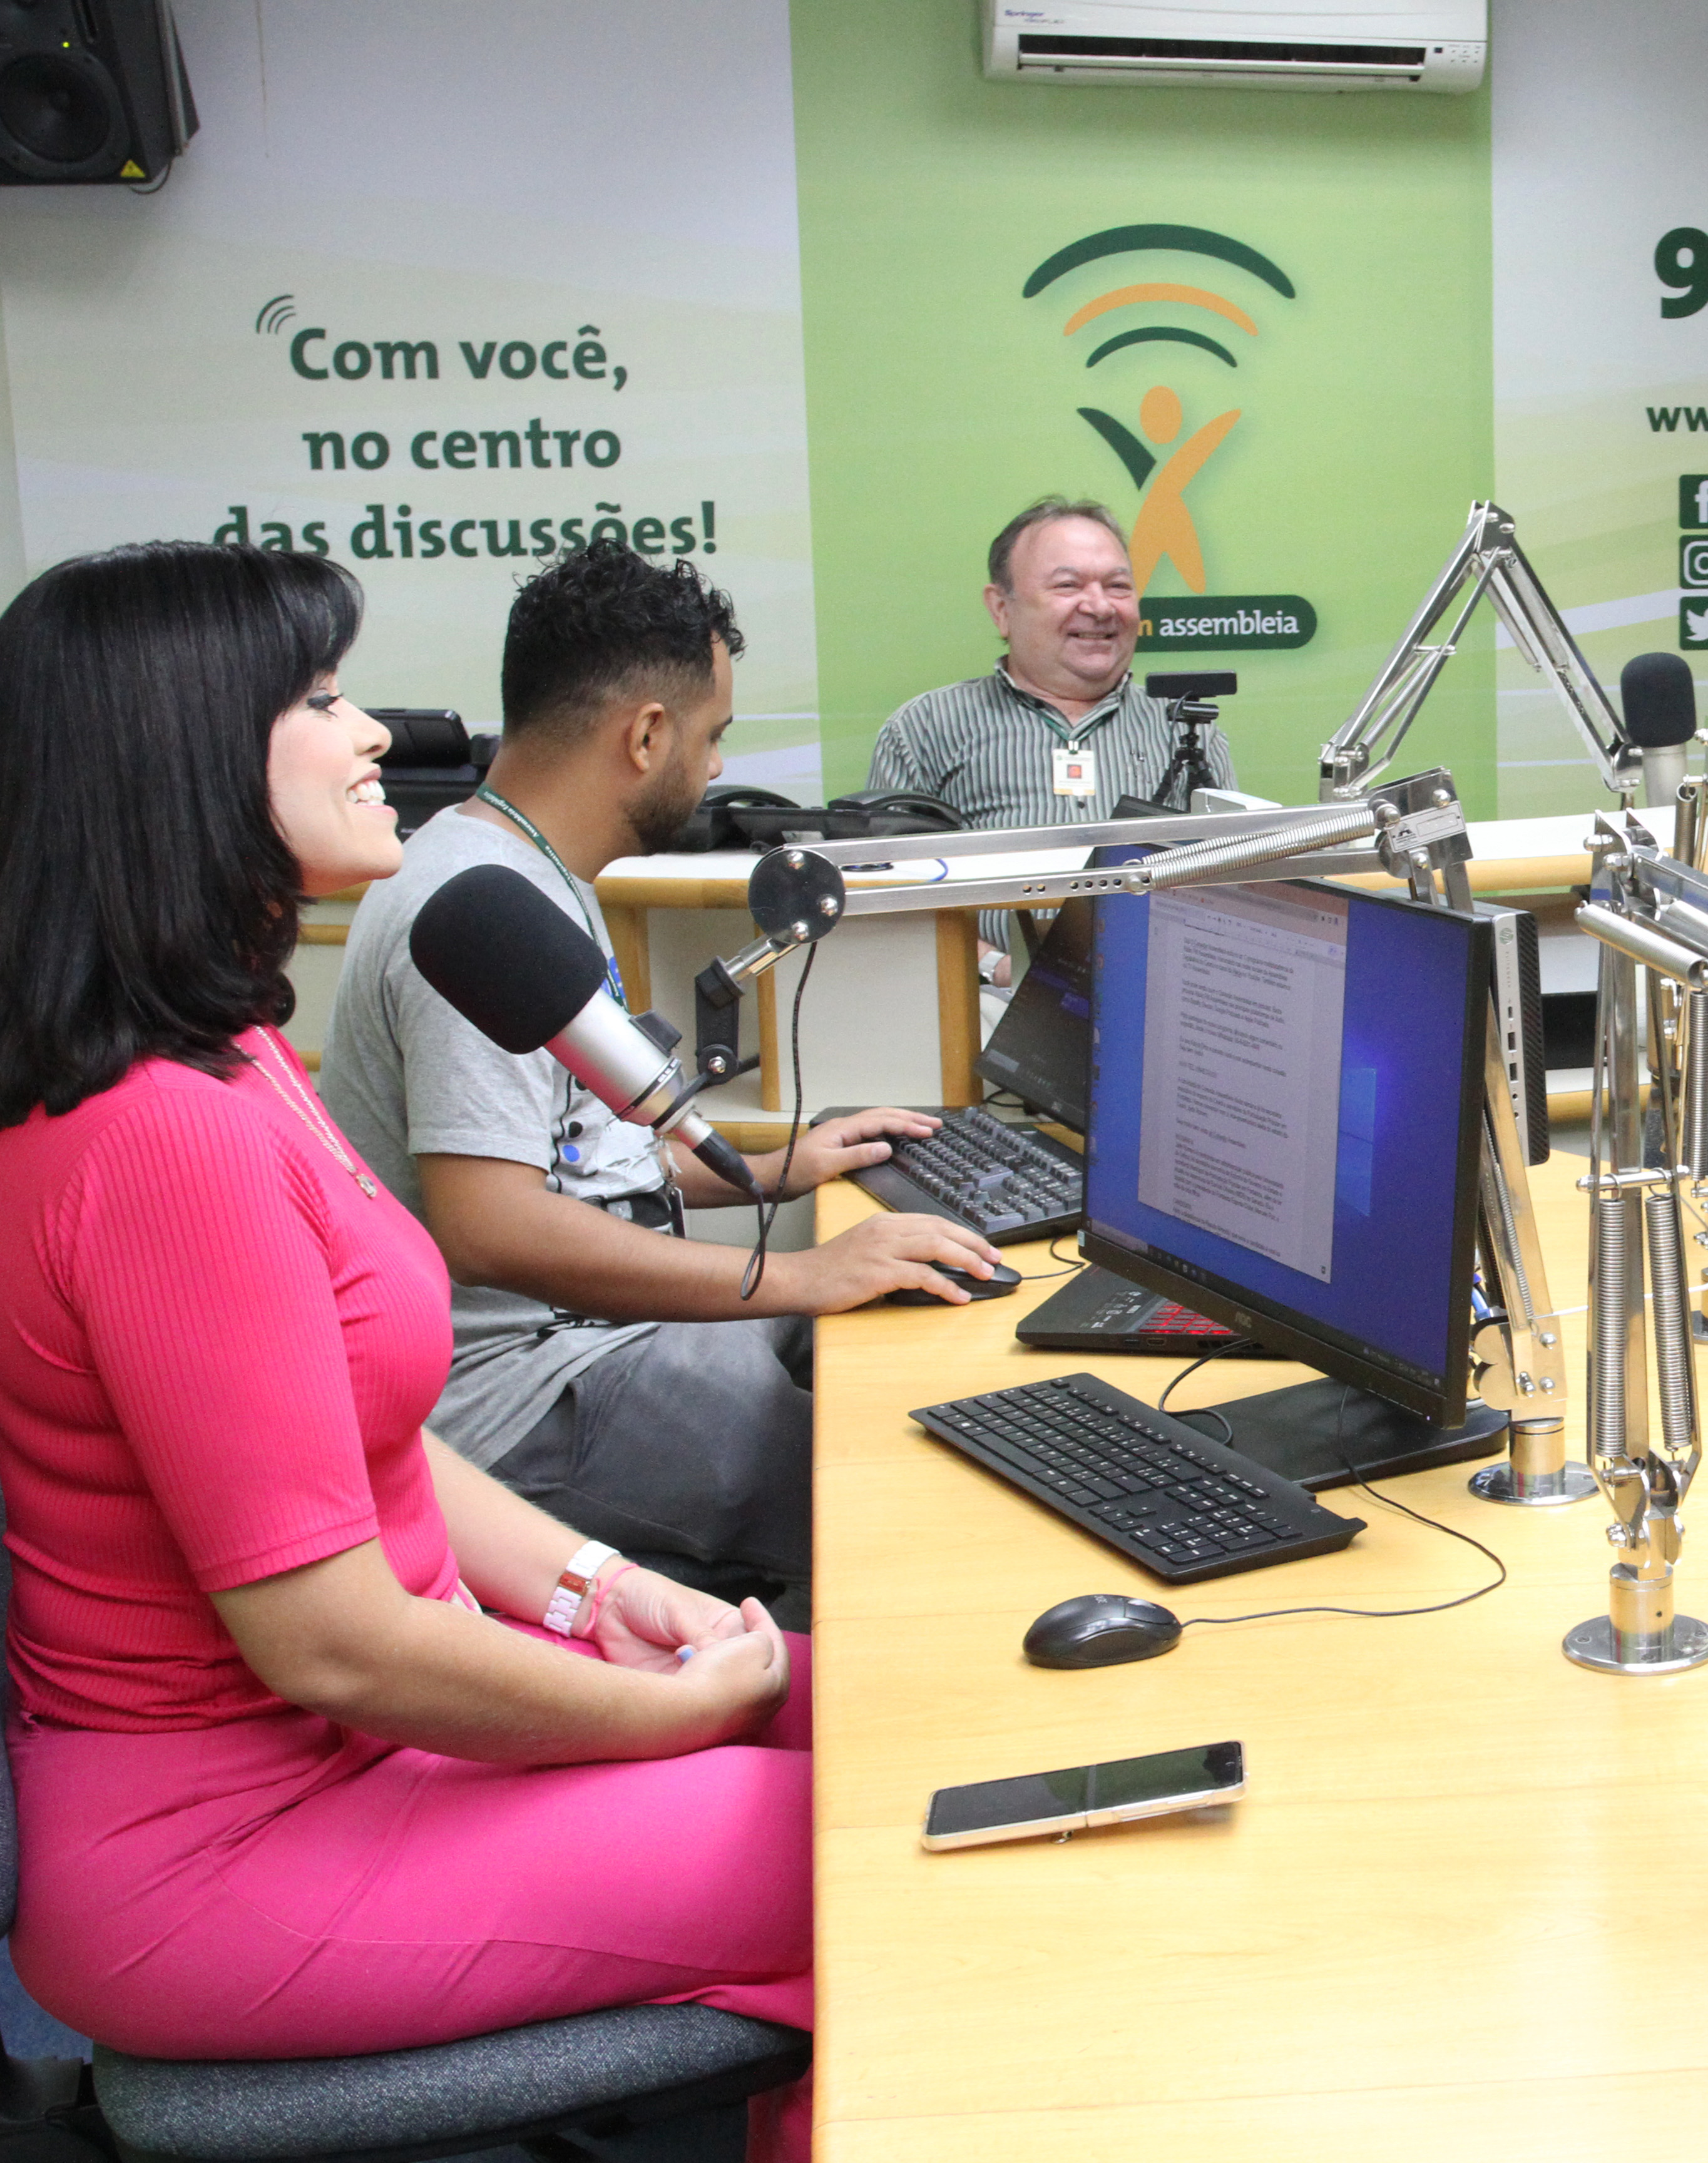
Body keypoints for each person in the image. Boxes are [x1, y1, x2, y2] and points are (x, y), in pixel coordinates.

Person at [0, 543, 812, 2159]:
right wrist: (660, 1716)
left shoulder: (234, 1055)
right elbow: (334, 1646)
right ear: (182, 758)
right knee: (887, 1840)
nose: (373, 730)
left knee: (894, 1720)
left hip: (356, 1757)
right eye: (319, 700)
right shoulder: (162, 1142)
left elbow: (367, 1442)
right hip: (228, 1855)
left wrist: (596, 1590)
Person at [324, 541, 1004, 1609]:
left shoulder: (531, 869)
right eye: (712, 736)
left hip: (590, 1341)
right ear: (646, 736)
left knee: (898, 1347)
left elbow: (575, 1159)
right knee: (907, 1499)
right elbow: (490, 1224)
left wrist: (777, 1170)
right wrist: (800, 1275)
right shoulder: (472, 914)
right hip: (527, 1392)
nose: (717, 769)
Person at [865, 494, 1234, 832]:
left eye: (1118, 586)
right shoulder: (926, 729)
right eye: (1068, 585)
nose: (1100, 607)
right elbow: (888, 873)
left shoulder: (1187, 730)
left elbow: (1231, 870)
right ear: (1001, 609)